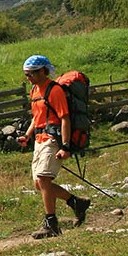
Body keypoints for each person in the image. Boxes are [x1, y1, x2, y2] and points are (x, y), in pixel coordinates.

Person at [17, 55, 91, 238]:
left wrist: (65, 146)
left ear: (44, 71)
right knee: (39, 184)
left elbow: (64, 118)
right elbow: (37, 117)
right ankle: (76, 203)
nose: (29, 77)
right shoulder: (35, 90)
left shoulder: (54, 90)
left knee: (43, 179)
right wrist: (27, 136)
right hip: (39, 140)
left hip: (53, 139)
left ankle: (51, 224)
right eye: (27, 74)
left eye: (32, 73)